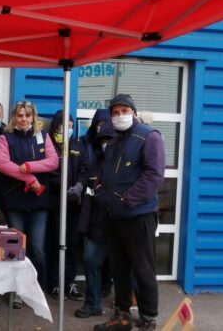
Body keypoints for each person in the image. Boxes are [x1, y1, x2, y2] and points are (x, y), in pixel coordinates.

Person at [94, 94, 165, 331]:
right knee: (119, 268)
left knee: (143, 268)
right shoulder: (113, 140)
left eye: (123, 110)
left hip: (139, 215)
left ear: (133, 112)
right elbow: (105, 172)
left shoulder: (148, 136)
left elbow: (154, 175)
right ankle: (122, 315)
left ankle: (148, 318)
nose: (119, 116)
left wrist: (128, 199)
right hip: (115, 215)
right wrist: (100, 189)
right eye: (114, 112)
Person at [0, 100, 59, 307]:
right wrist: (30, 179)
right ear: (14, 117)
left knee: (38, 249)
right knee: (15, 250)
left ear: (33, 117)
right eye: (20, 115)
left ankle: (36, 288)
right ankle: (16, 291)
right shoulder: (6, 137)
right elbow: (3, 164)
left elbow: (53, 162)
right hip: (15, 202)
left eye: (27, 115)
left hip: (39, 203)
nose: (23, 119)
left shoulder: (43, 136)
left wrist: (29, 166)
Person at [75, 112, 116, 319]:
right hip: (98, 225)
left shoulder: (127, 165)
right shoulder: (96, 165)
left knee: (128, 268)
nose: (106, 143)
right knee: (91, 262)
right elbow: (89, 197)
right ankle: (93, 304)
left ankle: (134, 310)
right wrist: (85, 227)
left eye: (110, 139)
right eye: (103, 140)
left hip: (121, 223)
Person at [45, 110, 89, 301]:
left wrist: (79, 187)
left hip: (74, 206)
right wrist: (64, 188)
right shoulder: (49, 145)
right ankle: (54, 283)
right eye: (64, 126)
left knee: (71, 244)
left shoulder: (77, 145)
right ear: (55, 127)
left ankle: (69, 282)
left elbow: (85, 169)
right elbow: (48, 172)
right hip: (55, 204)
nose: (68, 130)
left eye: (70, 126)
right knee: (55, 243)